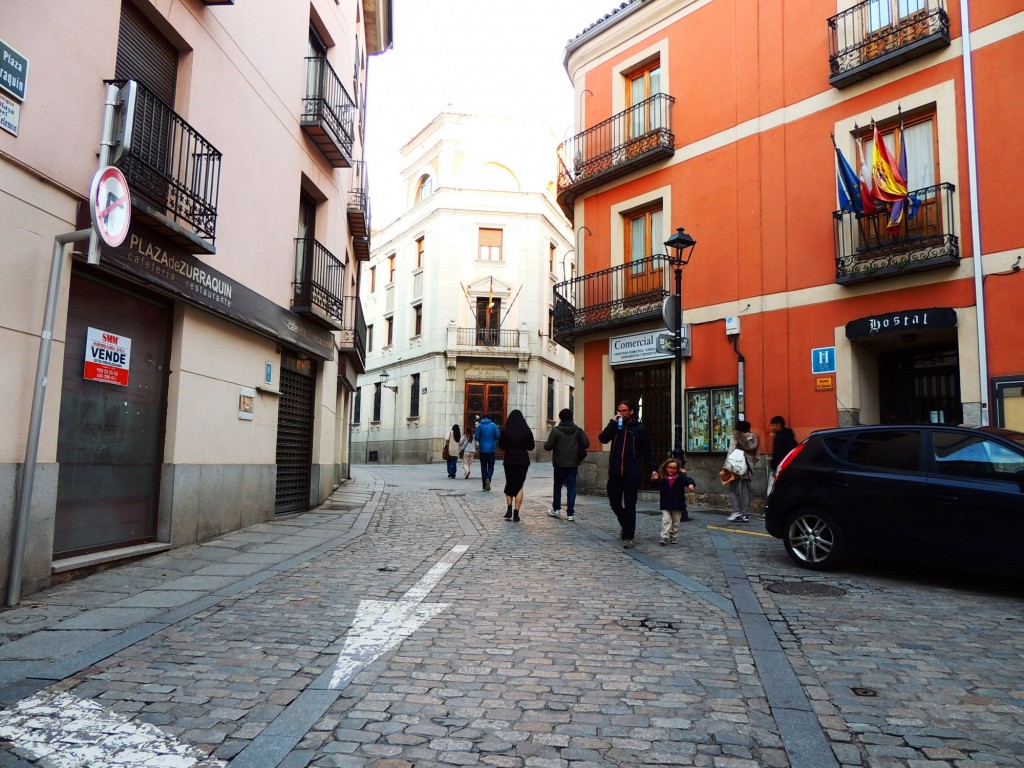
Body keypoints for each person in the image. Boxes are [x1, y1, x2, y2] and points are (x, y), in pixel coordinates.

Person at [598, 400, 658, 549]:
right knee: (614, 502)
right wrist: (612, 423)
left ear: (631, 411)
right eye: (619, 410)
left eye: (624, 410)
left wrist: (653, 469)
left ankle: (628, 536)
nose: (621, 413)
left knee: (630, 505)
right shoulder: (615, 427)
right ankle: (626, 524)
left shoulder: (639, 429)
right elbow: (602, 439)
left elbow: (647, 451)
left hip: (632, 473)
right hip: (615, 472)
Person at [543, 408, 589, 522]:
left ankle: (556, 509)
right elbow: (586, 443)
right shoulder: (578, 430)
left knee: (557, 486)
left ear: (560, 418)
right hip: (573, 463)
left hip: (559, 463)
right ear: (571, 417)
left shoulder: (556, 431)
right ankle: (570, 514)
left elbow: (548, 447)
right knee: (571, 488)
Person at [498, 409, 535, 521]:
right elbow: (531, 447)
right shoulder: (526, 430)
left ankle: (509, 508)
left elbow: (501, 446)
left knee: (510, 483)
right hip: (523, 461)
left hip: (509, 460)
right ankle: (516, 513)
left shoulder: (505, 430)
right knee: (519, 486)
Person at [725, 420, 760, 522]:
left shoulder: (736, 436)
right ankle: (744, 515)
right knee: (745, 492)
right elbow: (757, 456)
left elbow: (731, 451)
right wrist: (750, 464)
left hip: (735, 467)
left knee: (731, 490)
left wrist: (726, 466)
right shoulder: (754, 438)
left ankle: (736, 512)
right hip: (748, 469)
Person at [657, 458, 696, 545]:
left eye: (674, 468)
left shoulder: (681, 478)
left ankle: (673, 535)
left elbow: (688, 480)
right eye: (669, 467)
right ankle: (664, 536)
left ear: (677, 469)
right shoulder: (662, 477)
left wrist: (691, 485)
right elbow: (654, 483)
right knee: (666, 520)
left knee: (676, 521)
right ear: (665, 468)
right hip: (666, 503)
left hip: (678, 503)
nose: (671, 470)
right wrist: (653, 479)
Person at [767, 415, 797, 496]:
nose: (771, 428)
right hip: (789, 464)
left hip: (779, 465)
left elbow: (777, 452)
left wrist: (774, 466)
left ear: (779, 425)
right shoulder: (789, 435)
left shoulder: (778, 437)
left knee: (773, 489)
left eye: (773, 425)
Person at [475, 414, 500, 491]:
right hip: (492, 449)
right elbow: (498, 436)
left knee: (483, 467)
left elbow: (476, 437)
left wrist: (481, 439)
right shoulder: (494, 425)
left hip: (482, 449)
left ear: (483, 418)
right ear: (490, 418)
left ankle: (484, 485)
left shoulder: (479, 426)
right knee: (491, 466)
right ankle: (488, 478)